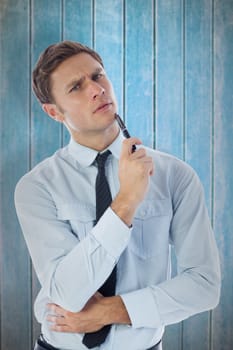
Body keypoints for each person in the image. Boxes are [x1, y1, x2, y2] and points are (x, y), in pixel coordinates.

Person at [14, 41, 221, 350]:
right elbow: (68, 294)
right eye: (76, 87)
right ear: (54, 112)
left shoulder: (175, 175)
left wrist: (112, 311)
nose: (96, 89)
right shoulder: (37, 187)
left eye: (98, 76)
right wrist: (127, 201)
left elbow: (205, 286)